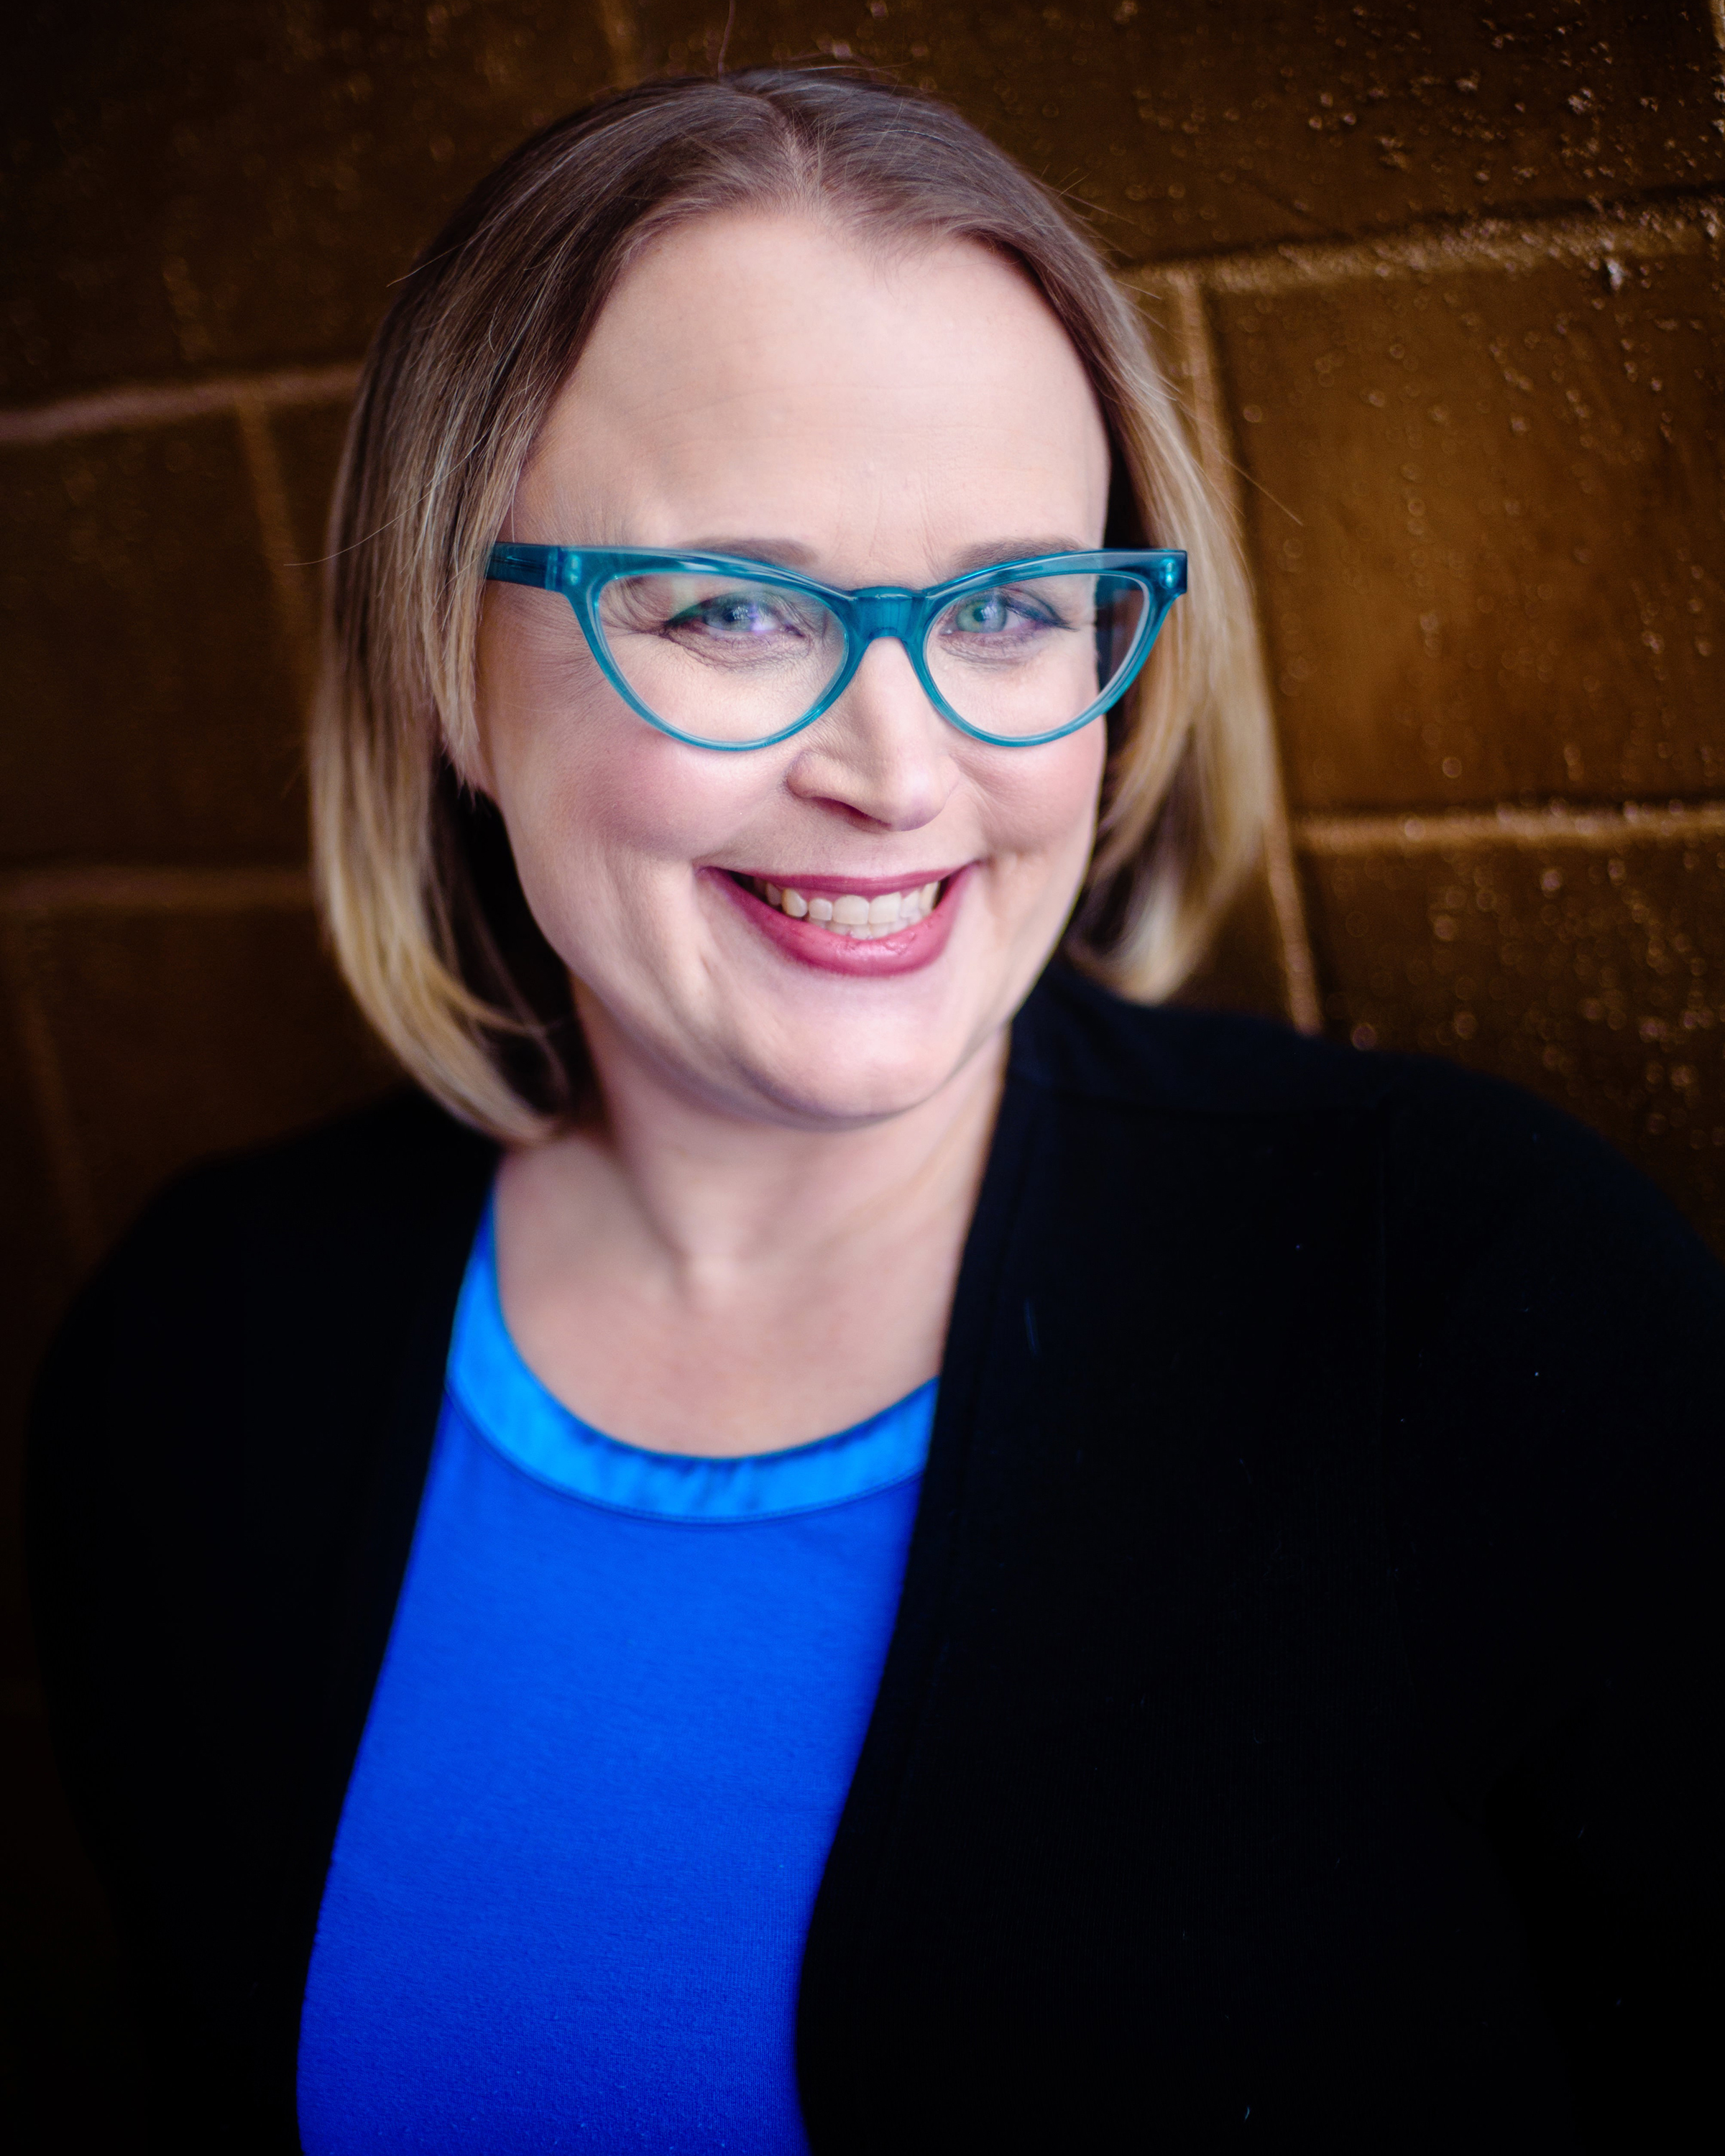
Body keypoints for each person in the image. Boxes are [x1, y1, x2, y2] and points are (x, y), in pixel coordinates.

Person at [26, 68, 1721, 2156]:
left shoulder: (1472, 1302)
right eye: (734, 609)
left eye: (1010, 607)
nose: (899, 770)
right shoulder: (195, 1362)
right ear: (441, 658)